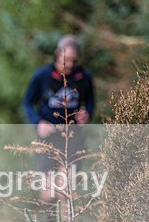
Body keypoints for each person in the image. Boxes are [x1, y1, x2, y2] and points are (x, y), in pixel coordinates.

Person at [22, 35, 95, 211]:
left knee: (65, 189)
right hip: (47, 139)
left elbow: (90, 103)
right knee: (48, 193)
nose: (69, 64)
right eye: (66, 59)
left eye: (74, 60)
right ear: (57, 54)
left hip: (73, 137)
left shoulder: (84, 77)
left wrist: (87, 115)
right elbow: (27, 102)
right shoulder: (42, 76)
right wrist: (38, 122)